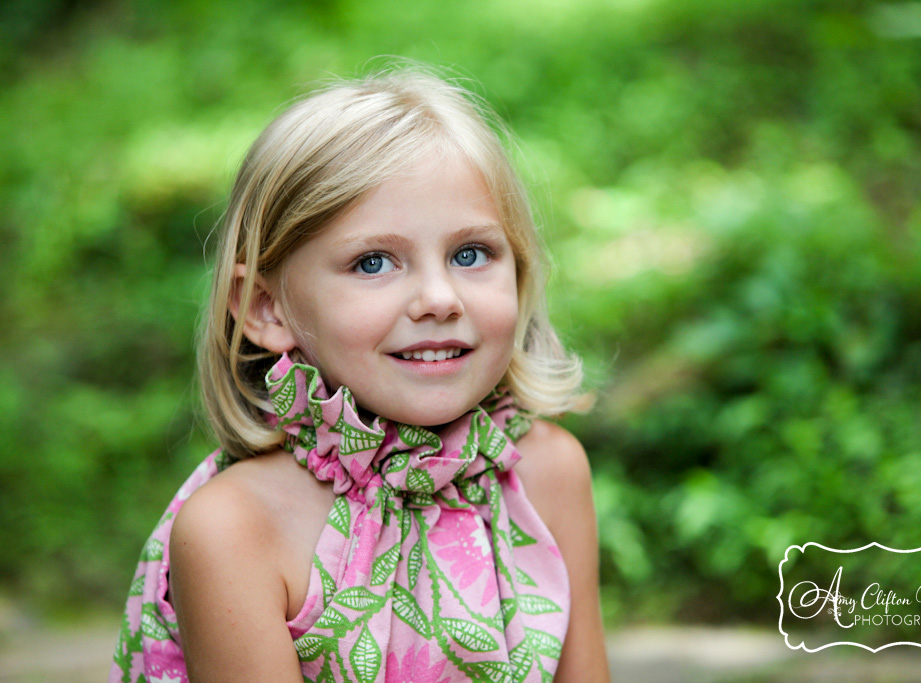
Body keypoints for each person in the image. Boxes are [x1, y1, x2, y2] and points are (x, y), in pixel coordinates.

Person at [109, 65, 609, 683]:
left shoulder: (549, 472)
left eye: (470, 254)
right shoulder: (235, 531)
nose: (438, 297)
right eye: (374, 262)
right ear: (267, 308)